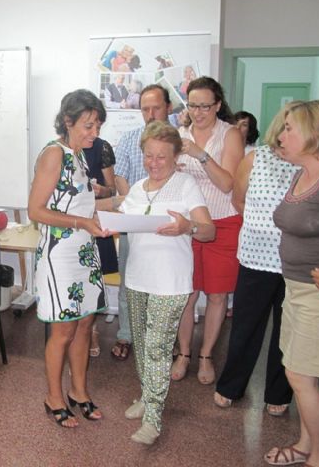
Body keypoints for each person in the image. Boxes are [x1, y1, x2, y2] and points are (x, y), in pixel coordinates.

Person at [111, 121, 214, 444]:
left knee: (157, 348)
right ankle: (147, 394)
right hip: (138, 277)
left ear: (176, 156)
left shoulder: (185, 185)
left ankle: (154, 419)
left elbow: (208, 230)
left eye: (161, 157)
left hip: (171, 281)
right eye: (148, 156)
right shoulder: (139, 188)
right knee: (142, 344)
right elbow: (120, 216)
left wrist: (187, 227)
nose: (154, 163)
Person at [265, 100, 319, 467]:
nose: (281, 136)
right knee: (300, 374)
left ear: (314, 134)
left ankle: (318, 458)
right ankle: (305, 443)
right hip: (297, 291)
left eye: (289, 129)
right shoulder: (303, 172)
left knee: (300, 375)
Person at [28, 89, 110, 428]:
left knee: (84, 324)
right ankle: (54, 397)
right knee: (62, 331)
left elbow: (76, 201)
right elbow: (36, 210)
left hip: (84, 251)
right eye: (88, 126)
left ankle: (79, 391)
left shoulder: (78, 155)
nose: (95, 134)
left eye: (98, 126)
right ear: (68, 121)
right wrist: (81, 221)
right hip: (60, 255)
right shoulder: (54, 154)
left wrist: (106, 213)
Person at [213, 105, 298, 415]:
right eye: (286, 126)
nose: (288, 132)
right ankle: (231, 386)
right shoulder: (255, 158)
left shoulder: (312, 164)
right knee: (246, 327)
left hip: (295, 263)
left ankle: (278, 393)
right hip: (255, 258)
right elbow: (238, 199)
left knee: (286, 331)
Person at [171, 76, 244, 385]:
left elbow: (228, 183)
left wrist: (200, 154)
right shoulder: (178, 134)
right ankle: (185, 352)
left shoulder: (230, 135)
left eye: (204, 106)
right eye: (192, 105)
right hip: (187, 223)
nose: (198, 112)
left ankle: (206, 355)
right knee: (186, 292)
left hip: (223, 221)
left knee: (216, 294)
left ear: (217, 105)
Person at [111, 84, 176, 362]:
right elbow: (120, 178)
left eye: (156, 108)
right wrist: (134, 206)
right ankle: (126, 333)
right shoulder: (128, 139)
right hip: (135, 224)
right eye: (145, 109)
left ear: (168, 108)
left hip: (169, 226)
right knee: (129, 281)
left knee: (164, 286)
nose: (150, 114)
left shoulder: (178, 140)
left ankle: (162, 340)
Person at [83, 137, 118, 357]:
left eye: (96, 123)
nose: (93, 130)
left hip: (96, 221)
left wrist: (100, 190)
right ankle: (80, 330)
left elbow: (112, 190)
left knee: (94, 279)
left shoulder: (101, 147)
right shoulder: (57, 150)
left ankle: (92, 329)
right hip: (70, 225)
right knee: (77, 279)